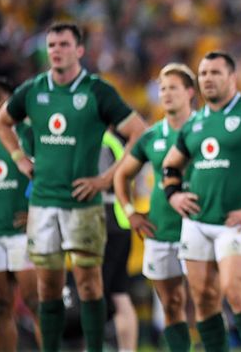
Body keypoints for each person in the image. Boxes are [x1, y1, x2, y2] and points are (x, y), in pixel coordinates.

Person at [0, 22, 147, 352]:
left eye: (64, 44)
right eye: (51, 45)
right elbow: (1, 121)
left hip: (84, 205)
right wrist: (20, 158)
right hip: (44, 204)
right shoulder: (33, 90)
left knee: (90, 285)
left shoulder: (96, 90)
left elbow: (139, 133)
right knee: (47, 288)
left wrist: (107, 179)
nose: (56, 51)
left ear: (79, 51)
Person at [161, 51, 241, 352]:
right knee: (203, 299)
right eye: (203, 73)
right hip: (196, 222)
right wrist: (174, 195)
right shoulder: (194, 124)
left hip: (235, 221)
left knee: (236, 291)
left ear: (232, 77)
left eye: (215, 73)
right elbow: (171, 165)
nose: (208, 79)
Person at [114, 63, 197, 352]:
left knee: (206, 302)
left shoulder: (205, 129)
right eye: (162, 88)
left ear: (189, 92)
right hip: (161, 231)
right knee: (171, 306)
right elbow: (121, 175)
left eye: (173, 87)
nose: (166, 93)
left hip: (200, 228)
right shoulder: (151, 137)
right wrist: (130, 212)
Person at [0, 78, 41, 350]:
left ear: (11, 102)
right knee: (0, 305)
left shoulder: (29, 136)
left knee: (35, 303)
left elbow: (49, 174)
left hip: (23, 233)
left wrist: (37, 212)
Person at [100, 131, 138, 352]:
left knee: (99, 291)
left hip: (106, 222)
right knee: (119, 292)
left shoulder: (101, 141)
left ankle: (96, 345)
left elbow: (101, 182)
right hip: (121, 222)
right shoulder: (115, 141)